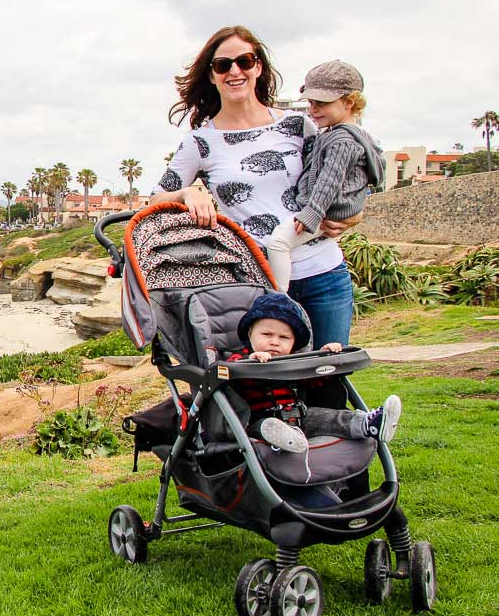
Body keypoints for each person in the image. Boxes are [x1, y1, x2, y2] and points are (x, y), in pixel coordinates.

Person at [150, 25, 358, 348]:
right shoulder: (201, 142)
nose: (235, 71)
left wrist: (353, 215)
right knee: (273, 393)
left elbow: (340, 175)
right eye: (223, 65)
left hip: (324, 276)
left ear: (258, 67)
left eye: (244, 61)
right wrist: (187, 193)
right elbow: (154, 201)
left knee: (330, 382)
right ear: (212, 76)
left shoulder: (298, 125)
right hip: (258, 286)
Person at [224, 293, 400, 454]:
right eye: (267, 334)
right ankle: (289, 438)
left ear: (293, 342)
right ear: (250, 333)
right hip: (259, 420)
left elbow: (314, 383)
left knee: (331, 417)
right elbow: (228, 376)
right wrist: (251, 362)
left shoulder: (294, 362)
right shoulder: (240, 358)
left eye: (284, 338)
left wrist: (325, 358)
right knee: (266, 426)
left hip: (300, 415)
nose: (274, 342)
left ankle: (369, 424)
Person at [266, 60, 384, 288]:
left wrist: (312, 213)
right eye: (311, 102)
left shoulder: (342, 141)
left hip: (326, 210)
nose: (313, 109)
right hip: (328, 209)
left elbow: (329, 181)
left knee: (279, 243)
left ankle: (279, 298)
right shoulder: (343, 134)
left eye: (321, 103)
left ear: (349, 102)